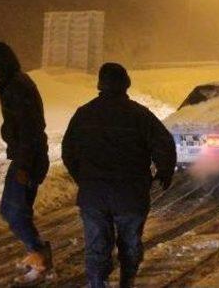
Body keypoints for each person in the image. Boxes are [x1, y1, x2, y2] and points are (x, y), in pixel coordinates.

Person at [62, 62, 176, 288]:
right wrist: (164, 171)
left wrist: (84, 179)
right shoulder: (140, 115)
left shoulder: (84, 114)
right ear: (126, 84)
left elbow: (68, 152)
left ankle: (97, 283)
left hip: (94, 196)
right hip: (130, 194)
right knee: (130, 243)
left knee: (96, 246)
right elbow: (164, 144)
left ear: (100, 84)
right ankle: (127, 281)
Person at [0, 41, 52, 285]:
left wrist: (23, 166)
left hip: (29, 158)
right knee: (18, 210)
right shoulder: (14, 83)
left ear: (1, 64)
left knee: (12, 210)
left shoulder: (15, 87)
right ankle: (38, 254)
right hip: (31, 156)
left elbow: (29, 129)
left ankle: (40, 256)